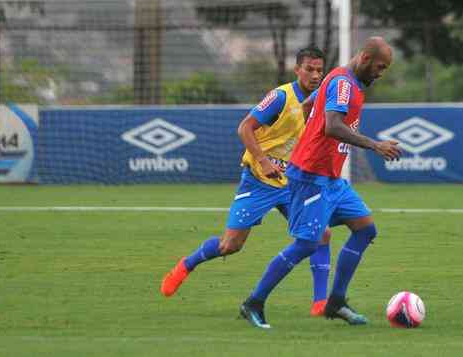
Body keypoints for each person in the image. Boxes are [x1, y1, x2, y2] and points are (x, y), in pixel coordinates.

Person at [239, 37, 401, 329]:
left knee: (365, 230)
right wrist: (375, 146)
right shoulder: (343, 83)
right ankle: (254, 302)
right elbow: (333, 125)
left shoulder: (345, 81)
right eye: (379, 67)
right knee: (307, 244)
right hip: (311, 178)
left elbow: (308, 104)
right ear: (364, 58)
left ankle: (336, 301)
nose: (381, 73)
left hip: (332, 179)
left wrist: (310, 135)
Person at [161, 46, 332, 316]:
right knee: (231, 245)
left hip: (291, 183)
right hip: (259, 180)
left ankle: (321, 302)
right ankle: (186, 264)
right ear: (297, 70)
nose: (315, 75)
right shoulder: (280, 97)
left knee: (321, 233)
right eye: (309, 69)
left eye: (319, 70)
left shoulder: (322, 101)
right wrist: (264, 161)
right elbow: (244, 127)